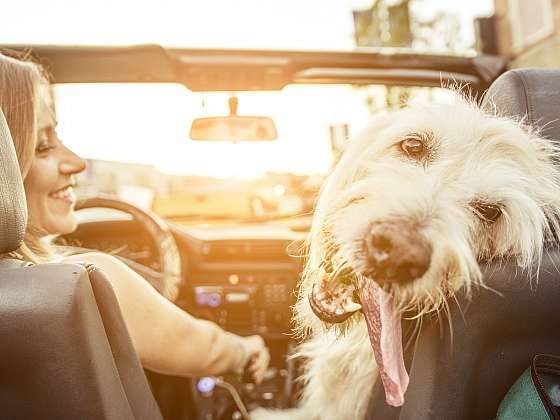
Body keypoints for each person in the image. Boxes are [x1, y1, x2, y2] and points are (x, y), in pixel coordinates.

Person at [0, 52, 270, 381]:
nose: (77, 162)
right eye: (43, 145)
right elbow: (202, 348)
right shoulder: (86, 283)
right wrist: (245, 350)